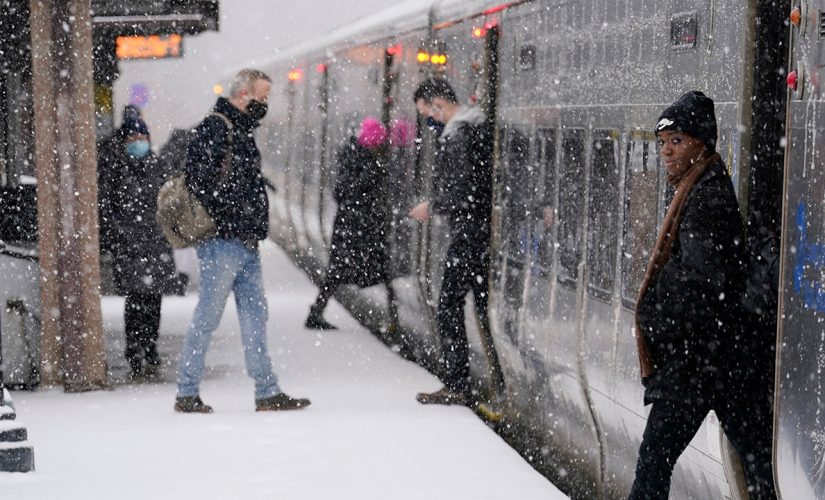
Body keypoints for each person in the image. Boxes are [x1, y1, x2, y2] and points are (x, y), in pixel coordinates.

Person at [630, 91, 776, 499]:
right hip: (723, 358)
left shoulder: (707, 197)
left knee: (653, 463)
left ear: (701, 143)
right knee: (759, 463)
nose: (666, 151)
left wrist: (655, 314)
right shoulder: (702, 185)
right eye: (662, 143)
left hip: (701, 361)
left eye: (677, 141)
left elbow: (700, 280)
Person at [174, 68, 310, 413]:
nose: (265, 104)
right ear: (243, 94)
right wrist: (235, 209)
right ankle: (186, 392)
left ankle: (267, 390)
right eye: (262, 97)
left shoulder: (239, 129)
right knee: (208, 315)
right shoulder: (216, 127)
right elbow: (200, 182)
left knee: (255, 314)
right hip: (223, 242)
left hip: (245, 241)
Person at [408, 78, 493, 405]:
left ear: (437, 104)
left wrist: (432, 206)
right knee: (465, 303)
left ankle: (457, 382)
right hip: (477, 232)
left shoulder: (458, 135)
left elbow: (461, 192)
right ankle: (459, 379)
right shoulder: (473, 126)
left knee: (448, 306)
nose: (429, 118)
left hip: (468, 234)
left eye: (427, 112)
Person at [98, 105, 178, 378]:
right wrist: (119, 234)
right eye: (132, 139)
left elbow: (169, 204)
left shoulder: (158, 167)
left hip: (156, 245)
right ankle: (134, 350)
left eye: (141, 138)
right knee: (135, 301)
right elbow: (108, 207)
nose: (138, 143)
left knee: (153, 301)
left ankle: (150, 346)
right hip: (130, 246)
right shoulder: (117, 170)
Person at [304, 117, 393, 330]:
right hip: (354, 225)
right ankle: (316, 312)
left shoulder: (356, 156)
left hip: (356, 224)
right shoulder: (360, 160)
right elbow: (342, 192)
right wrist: (368, 177)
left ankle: (317, 311)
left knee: (342, 271)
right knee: (345, 271)